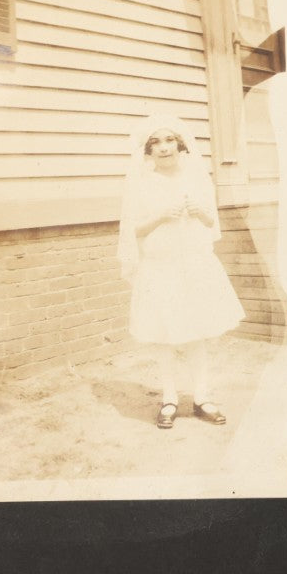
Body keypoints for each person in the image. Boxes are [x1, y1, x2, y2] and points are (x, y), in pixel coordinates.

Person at [117, 114, 245, 429]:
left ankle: (201, 397)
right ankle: (170, 398)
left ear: (180, 144)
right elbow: (132, 230)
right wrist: (160, 216)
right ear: (147, 151)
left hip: (194, 265)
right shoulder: (141, 183)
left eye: (169, 140)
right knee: (164, 334)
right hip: (160, 266)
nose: (163, 148)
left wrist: (203, 213)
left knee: (197, 332)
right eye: (155, 142)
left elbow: (211, 223)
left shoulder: (197, 178)